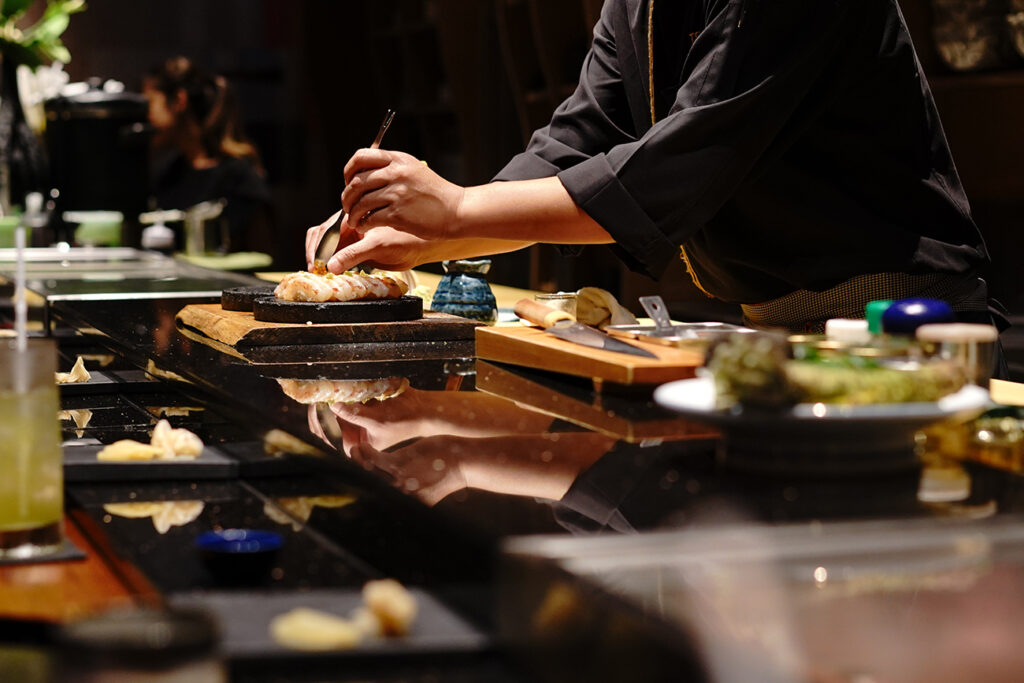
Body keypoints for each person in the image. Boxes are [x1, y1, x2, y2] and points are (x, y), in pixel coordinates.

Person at [309, 1, 1007, 362]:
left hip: (907, 330)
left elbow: (680, 164)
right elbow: (576, 141)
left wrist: (458, 211)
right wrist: (419, 235)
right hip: (781, 331)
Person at [143, 56, 274, 255]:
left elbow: (264, 255)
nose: (146, 115)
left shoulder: (239, 178)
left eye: (150, 102)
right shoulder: (168, 172)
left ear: (179, 100)